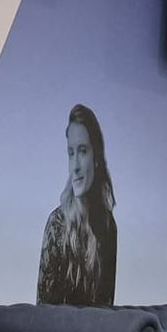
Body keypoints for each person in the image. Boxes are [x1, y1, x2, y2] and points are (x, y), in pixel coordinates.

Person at [36, 103, 117, 307]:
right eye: (71, 153)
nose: (75, 166)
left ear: (96, 157)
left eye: (82, 151)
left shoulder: (107, 225)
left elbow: (106, 307)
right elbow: (42, 311)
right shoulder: (57, 223)